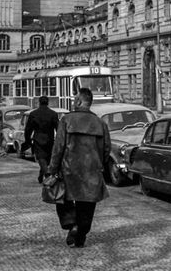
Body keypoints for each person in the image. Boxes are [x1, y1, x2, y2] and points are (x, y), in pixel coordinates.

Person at [47, 88, 110, 248]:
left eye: (75, 99)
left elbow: (58, 147)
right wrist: (99, 165)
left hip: (69, 170)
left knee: (63, 200)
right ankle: (80, 235)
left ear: (79, 101)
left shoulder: (66, 120)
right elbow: (106, 149)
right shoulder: (100, 123)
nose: (73, 101)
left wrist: (53, 169)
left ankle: (72, 225)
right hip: (91, 172)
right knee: (87, 205)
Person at [22, 95, 59, 183]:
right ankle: (42, 174)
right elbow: (58, 128)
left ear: (39, 102)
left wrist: (28, 140)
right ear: (48, 102)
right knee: (47, 159)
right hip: (49, 139)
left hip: (38, 138)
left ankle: (46, 174)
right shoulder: (53, 114)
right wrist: (58, 140)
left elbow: (28, 129)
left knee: (41, 158)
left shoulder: (33, 114)